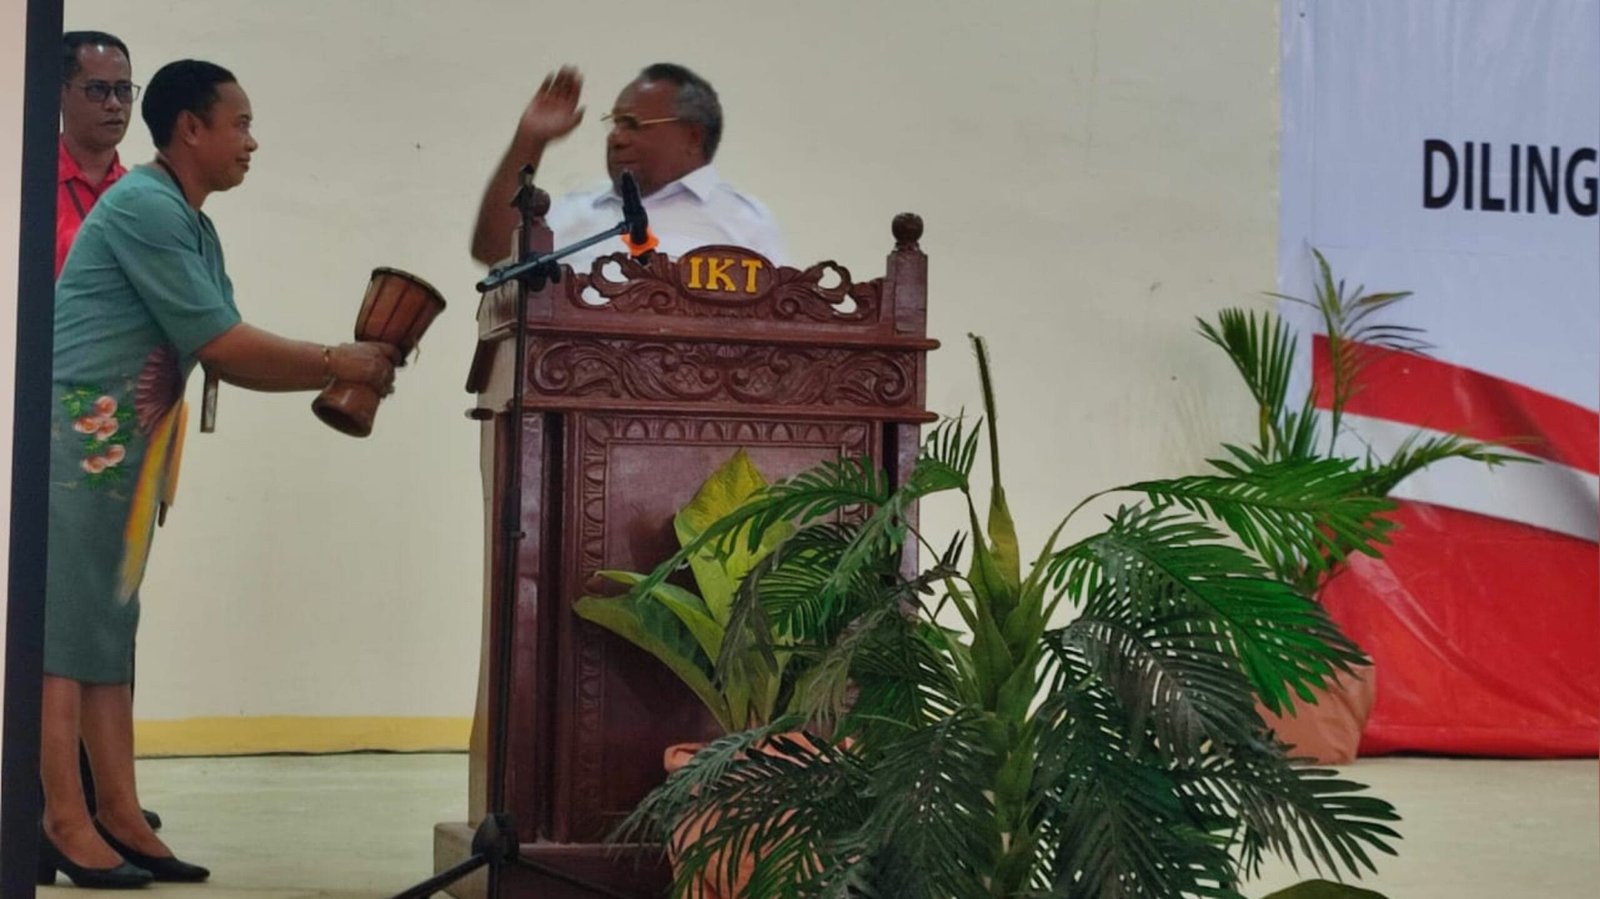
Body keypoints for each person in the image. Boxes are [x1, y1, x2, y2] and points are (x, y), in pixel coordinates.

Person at [40, 59, 400, 889]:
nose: (252, 142)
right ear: (191, 129)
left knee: (106, 627)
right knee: (65, 635)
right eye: (240, 124)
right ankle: (61, 817)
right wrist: (337, 359)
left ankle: (119, 813)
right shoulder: (145, 207)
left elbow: (226, 351)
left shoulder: (190, 222)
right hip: (78, 443)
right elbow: (225, 347)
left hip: (123, 453)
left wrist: (331, 364)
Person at [470, 63, 788, 272]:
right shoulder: (580, 210)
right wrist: (531, 139)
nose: (617, 138)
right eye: (615, 124)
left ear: (692, 137)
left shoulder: (744, 222)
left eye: (633, 124)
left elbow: (786, 328)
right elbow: (494, 251)